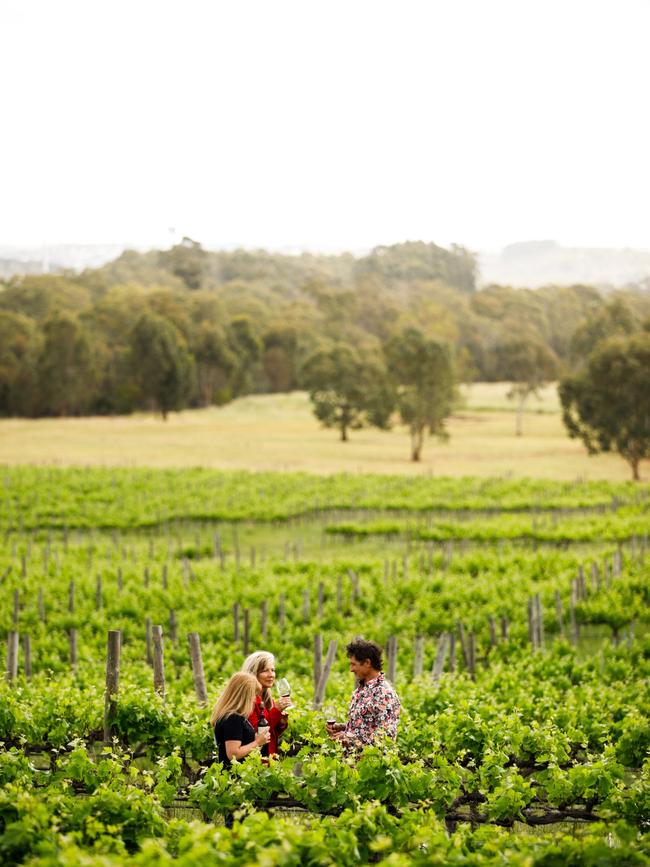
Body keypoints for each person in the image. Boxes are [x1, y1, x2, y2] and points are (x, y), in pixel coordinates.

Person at [327, 637, 400, 748]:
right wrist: (342, 727)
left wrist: (348, 738)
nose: (351, 669)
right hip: (350, 762)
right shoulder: (360, 691)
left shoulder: (384, 694)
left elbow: (386, 738)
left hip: (369, 764)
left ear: (367, 663)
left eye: (354, 664)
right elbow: (365, 727)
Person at [211, 672, 271, 767]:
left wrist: (253, 739)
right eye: (253, 695)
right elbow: (233, 754)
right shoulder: (232, 718)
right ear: (243, 695)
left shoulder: (235, 716)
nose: (254, 700)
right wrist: (257, 742)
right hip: (235, 777)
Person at [242, 650, 291, 757]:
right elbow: (257, 733)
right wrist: (276, 710)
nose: (271, 675)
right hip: (256, 762)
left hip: (269, 760)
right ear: (253, 673)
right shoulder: (248, 701)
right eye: (265, 671)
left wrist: (281, 723)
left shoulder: (267, 700)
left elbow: (271, 734)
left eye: (272, 670)